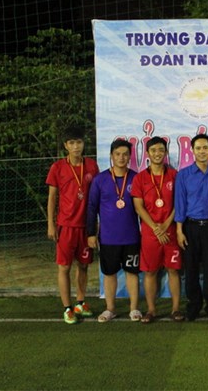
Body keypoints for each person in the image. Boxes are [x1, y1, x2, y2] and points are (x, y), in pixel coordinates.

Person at [46, 126, 99, 324]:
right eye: (72, 143)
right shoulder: (58, 167)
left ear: (84, 144)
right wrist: (51, 224)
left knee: (83, 265)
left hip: (86, 226)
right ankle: (67, 308)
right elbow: (52, 198)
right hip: (66, 226)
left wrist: (96, 224)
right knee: (64, 267)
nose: (76, 146)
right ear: (66, 146)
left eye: (79, 142)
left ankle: (80, 302)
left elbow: (97, 196)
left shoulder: (91, 166)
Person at [87, 139, 141, 323]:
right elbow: (91, 207)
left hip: (131, 237)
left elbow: (143, 208)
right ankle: (110, 309)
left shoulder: (136, 178)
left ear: (130, 156)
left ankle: (134, 308)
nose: (121, 158)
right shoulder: (100, 180)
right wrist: (91, 233)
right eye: (117, 154)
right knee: (109, 273)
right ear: (111, 155)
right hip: (108, 238)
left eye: (125, 154)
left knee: (132, 273)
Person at [131, 136, 184, 323]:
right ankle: (151, 310)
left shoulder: (175, 175)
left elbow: (179, 203)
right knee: (150, 272)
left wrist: (166, 225)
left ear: (166, 152)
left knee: (173, 270)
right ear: (147, 153)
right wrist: (155, 228)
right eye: (153, 150)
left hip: (170, 231)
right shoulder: (140, 178)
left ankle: (175, 309)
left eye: (161, 150)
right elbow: (138, 207)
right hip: (150, 233)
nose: (157, 153)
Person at [174, 134, 208, 321]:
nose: (202, 151)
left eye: (205, 148)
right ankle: (193, 306)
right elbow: (180, 204)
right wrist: (179, 231)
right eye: (198, 148)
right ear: (192, 151)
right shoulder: (183, 175)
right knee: (191, 268)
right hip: (190, 227)